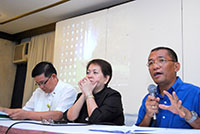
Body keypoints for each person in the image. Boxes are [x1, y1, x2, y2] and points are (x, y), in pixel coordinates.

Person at [136, 47, 200, 129]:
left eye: (162, 60)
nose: (155, 66)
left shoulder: (195, 94)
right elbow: (137, 130)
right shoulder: (149, 99)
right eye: (151, 63)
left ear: (176, 67)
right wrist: (148, 116)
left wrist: (188, 116)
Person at [0, 61, 77, 121]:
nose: (41, 87)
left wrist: (27, 114)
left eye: (43, 83)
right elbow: (25, 111)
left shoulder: (68, 90)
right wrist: (4, 110)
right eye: (38, 84)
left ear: (53, 76)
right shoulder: (38, 92)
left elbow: (58, 115)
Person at [63, 59, 124, 125]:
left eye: (95, 73)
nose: (89, 76)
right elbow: (70, 117)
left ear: (106, 79)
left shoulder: (113, 96)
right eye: (88, 72)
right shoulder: (81, 95)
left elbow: (96, 119)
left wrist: (88, 93)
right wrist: (84, 94)